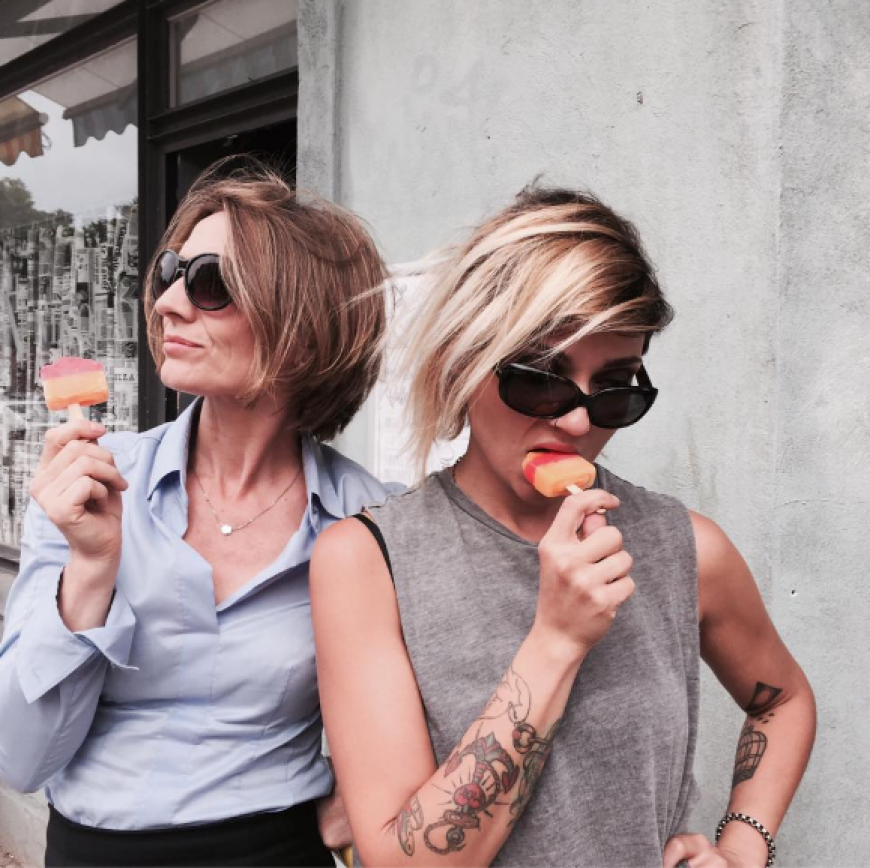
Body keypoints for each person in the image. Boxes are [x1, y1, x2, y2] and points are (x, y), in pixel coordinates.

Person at [310, 186, 816, 867]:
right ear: (465, 358)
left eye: (615, 388)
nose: (577, 421)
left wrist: (744, 846)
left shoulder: (684, 546)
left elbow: (783, 699)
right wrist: (556, 639)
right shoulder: (370, 562)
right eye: (541, 378)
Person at [0, 158, 391, 867]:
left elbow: (427, 713)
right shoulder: (91, 483)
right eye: (169, 273)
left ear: (304, 329)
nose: (169, 303)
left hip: (274, 850)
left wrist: (355, 808)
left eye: (211, 283)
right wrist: (90, 567)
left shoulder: (371, 520)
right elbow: (18, 758)